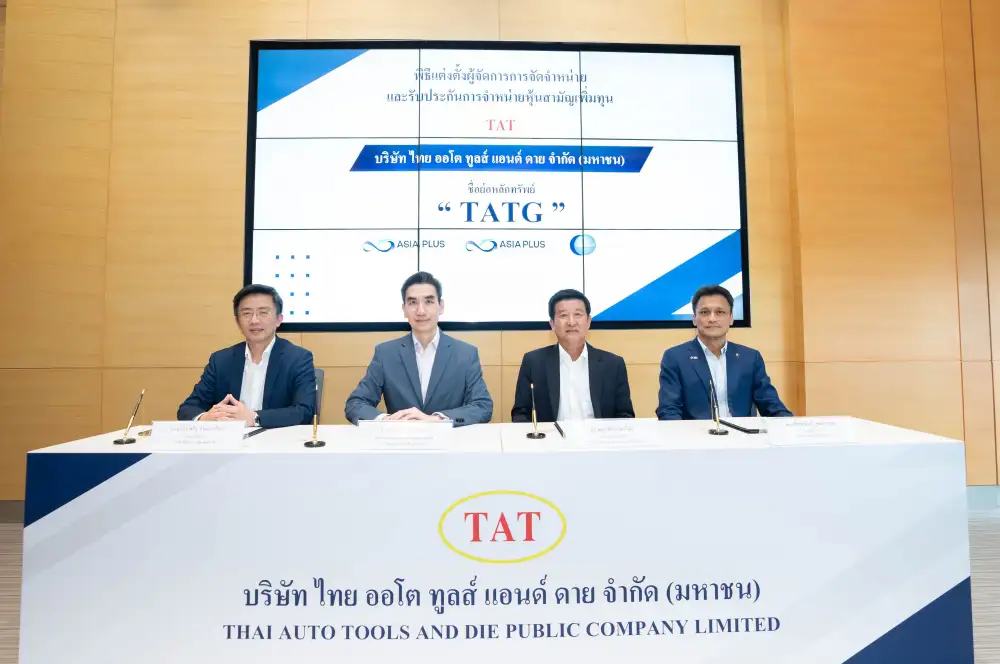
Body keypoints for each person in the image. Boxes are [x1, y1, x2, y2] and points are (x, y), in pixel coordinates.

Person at [345, 271, 493, 426]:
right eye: (413, 302)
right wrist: (387, 420)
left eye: (428, 301)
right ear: (404, 309)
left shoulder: (465, 354)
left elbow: (482, 407)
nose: (421, 311)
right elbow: (355, 404)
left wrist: (439, 419)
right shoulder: (386, 353)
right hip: (400, 438)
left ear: (441, 306)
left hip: (449, 439)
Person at [177, 284, 316, 428]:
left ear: (278, 319)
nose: (254, 320)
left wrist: (255, 418)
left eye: (263, 313)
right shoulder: (221, 360)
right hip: (229, 439)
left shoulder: (298, 358)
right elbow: (188, 408)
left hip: (276, 439)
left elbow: (304, 411)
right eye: (246, 313)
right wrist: (205, 418)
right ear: (238, 321)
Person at [656, 284, 791, 420]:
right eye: (704, 312)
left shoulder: (750, 358)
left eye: (720, 312)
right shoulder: (675, 357)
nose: (712, 319)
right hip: (696, 432)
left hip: (742, 432)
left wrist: (791, 425)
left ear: (731, 318)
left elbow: (771, 404)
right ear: (694, 318)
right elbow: (668, 409)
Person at [512, 289, 634, 423]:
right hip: (551, 436)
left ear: (588, 321)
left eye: (578, 314)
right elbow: (520, 414)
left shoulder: (613, 365)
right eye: (563, 315)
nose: (571, 322)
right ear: (552, 324)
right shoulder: (533, 362)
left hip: (597, 436)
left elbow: (625, 416)